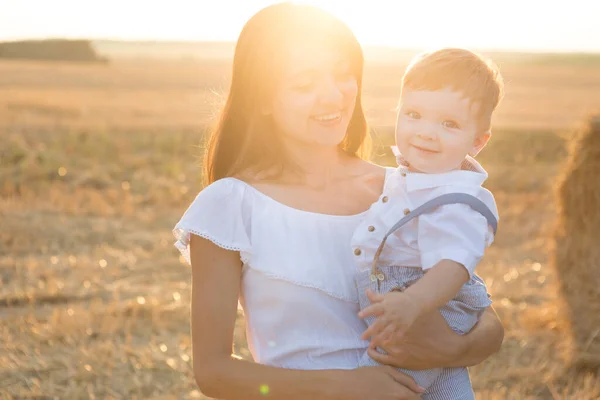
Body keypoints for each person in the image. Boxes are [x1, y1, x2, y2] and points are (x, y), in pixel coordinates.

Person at [173, 3, 504, 399]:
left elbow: (483, 316)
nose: (332, 95)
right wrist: (348, 387)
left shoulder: (407, 187)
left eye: (343, 74)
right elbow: (213, 373)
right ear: (261, 98)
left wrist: (453, 349)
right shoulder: (229, 204)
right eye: (304, 84)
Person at [352, 48, 503, 399]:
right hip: (415, 306)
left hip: (431, 309)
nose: (426, 132)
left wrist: (413, 302)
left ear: (478, 141)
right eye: (414, 114)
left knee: (377, 386)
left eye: (449, 124)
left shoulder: (456, 201)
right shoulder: (415, 180)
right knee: (445, 389)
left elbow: (454, 266)